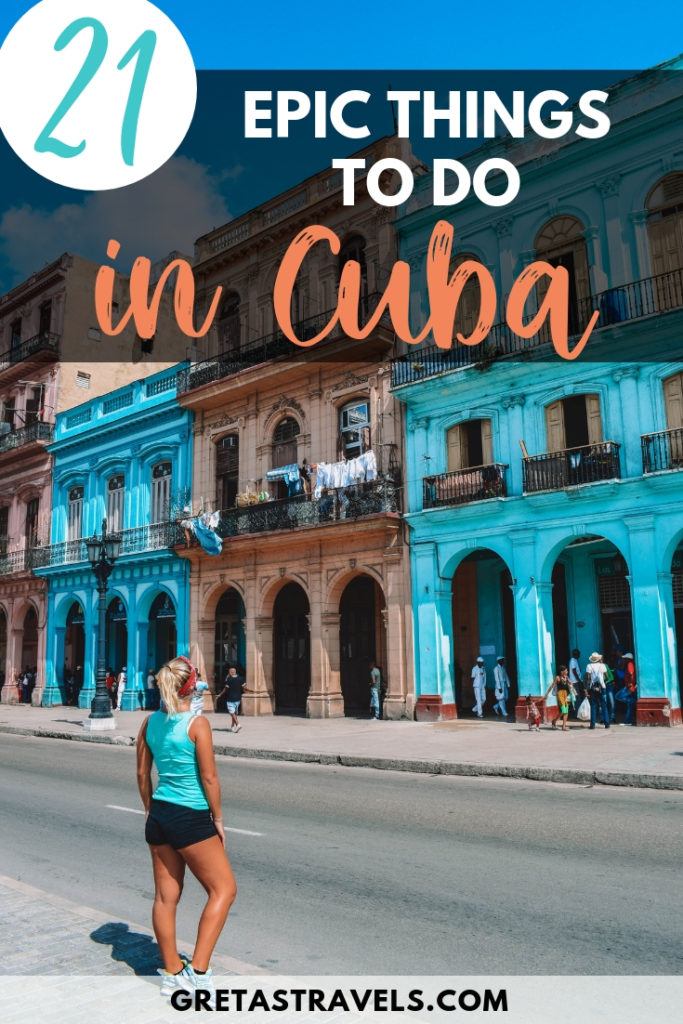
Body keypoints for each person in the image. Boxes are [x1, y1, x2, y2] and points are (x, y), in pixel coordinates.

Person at [136, 656, 236, 1004]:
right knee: (224, 890)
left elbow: (141, 774)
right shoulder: (197, 725)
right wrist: (219, 819)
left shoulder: (150, 723)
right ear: (190, 686)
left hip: (160, 814)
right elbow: (209, 777)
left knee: (165, 897)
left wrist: (151, 808)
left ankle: (172, 974)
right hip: (191, 816)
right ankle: (199, 969)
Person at [585, 652, 610, 730]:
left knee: (593, 705)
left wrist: (587, 688)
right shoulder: (603, 665)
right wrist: (602, 682)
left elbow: (588, 678)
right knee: (604, 705)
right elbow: (607, 677)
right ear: (598, 659)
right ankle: (607, 724)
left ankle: (592, 725)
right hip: (602, 687)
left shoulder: (589, 666)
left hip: (592, 688)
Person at [216, 667, 244, 733]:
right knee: (234, 713)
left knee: (232, 713)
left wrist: (220, 695)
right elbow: (244, 688)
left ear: (231, 672)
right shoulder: (241, 679)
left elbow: (225, 689)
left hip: (230, 699)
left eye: (229, 672)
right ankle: (232, 726)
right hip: (238, 699)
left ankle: (238, 724)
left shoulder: (229, 679)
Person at [549, 666, 571, 731]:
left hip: (565, 695)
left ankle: (563, 727)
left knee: (565, 711)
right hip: (560, 695)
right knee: (563, 710)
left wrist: (570, 683)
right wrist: (546, 694)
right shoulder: (558, 678)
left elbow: (570, 684)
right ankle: (554, 721)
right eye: (566, 671)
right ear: (562, 672)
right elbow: (552, 686)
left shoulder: (566, 678)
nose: (567, 672)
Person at [622, 653, 637, 726]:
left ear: (628, 659)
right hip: (630, 686)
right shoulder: (630, 663)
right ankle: (628, 721)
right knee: (630, 706)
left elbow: (631, 673)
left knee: (619, 696)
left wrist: (631, 683)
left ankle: (628, 721)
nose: (624, 660)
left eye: (625, 658)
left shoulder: (630, 664)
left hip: (630, 686)